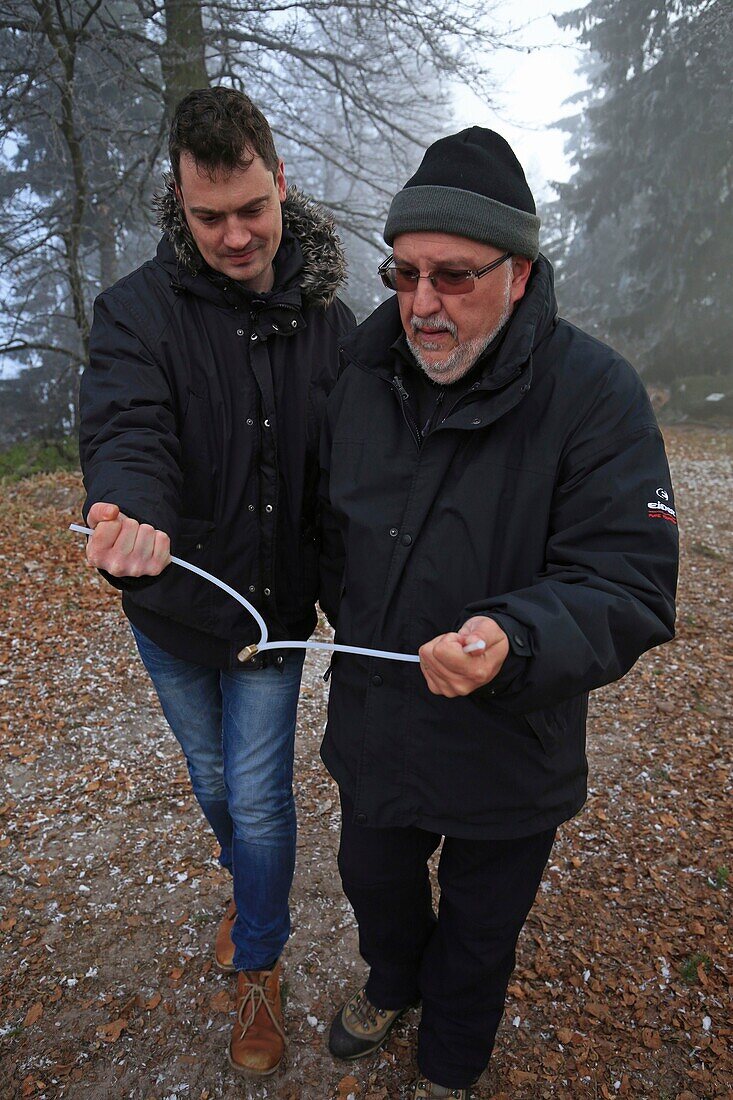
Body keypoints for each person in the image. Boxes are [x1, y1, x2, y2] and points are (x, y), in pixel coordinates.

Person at [318, 128, 678, 1099]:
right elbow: (318, 536)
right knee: (374, 885)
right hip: (378, 725)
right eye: (403, 272)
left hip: (509, 739)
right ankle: (393, 982)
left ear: (517, 274)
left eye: (453, 276)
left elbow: (631, 581)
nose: (421, 304)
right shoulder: (358, 379)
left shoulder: (595, 395)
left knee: (480, 926)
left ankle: (451, 1061)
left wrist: (512, 639)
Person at [78, 87, 355, 1077]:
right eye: (208, 216)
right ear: (179, 202)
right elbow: (126, 428)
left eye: (250, 210)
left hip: (272, 617)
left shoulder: (332, 318)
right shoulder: (136, 313)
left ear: (280, 185)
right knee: (216, 789)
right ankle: (252, 882)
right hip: (172, 608)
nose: (234, 236)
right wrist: (127, 505)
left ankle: (258, 966)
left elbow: (356, 470)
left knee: (260, 796)